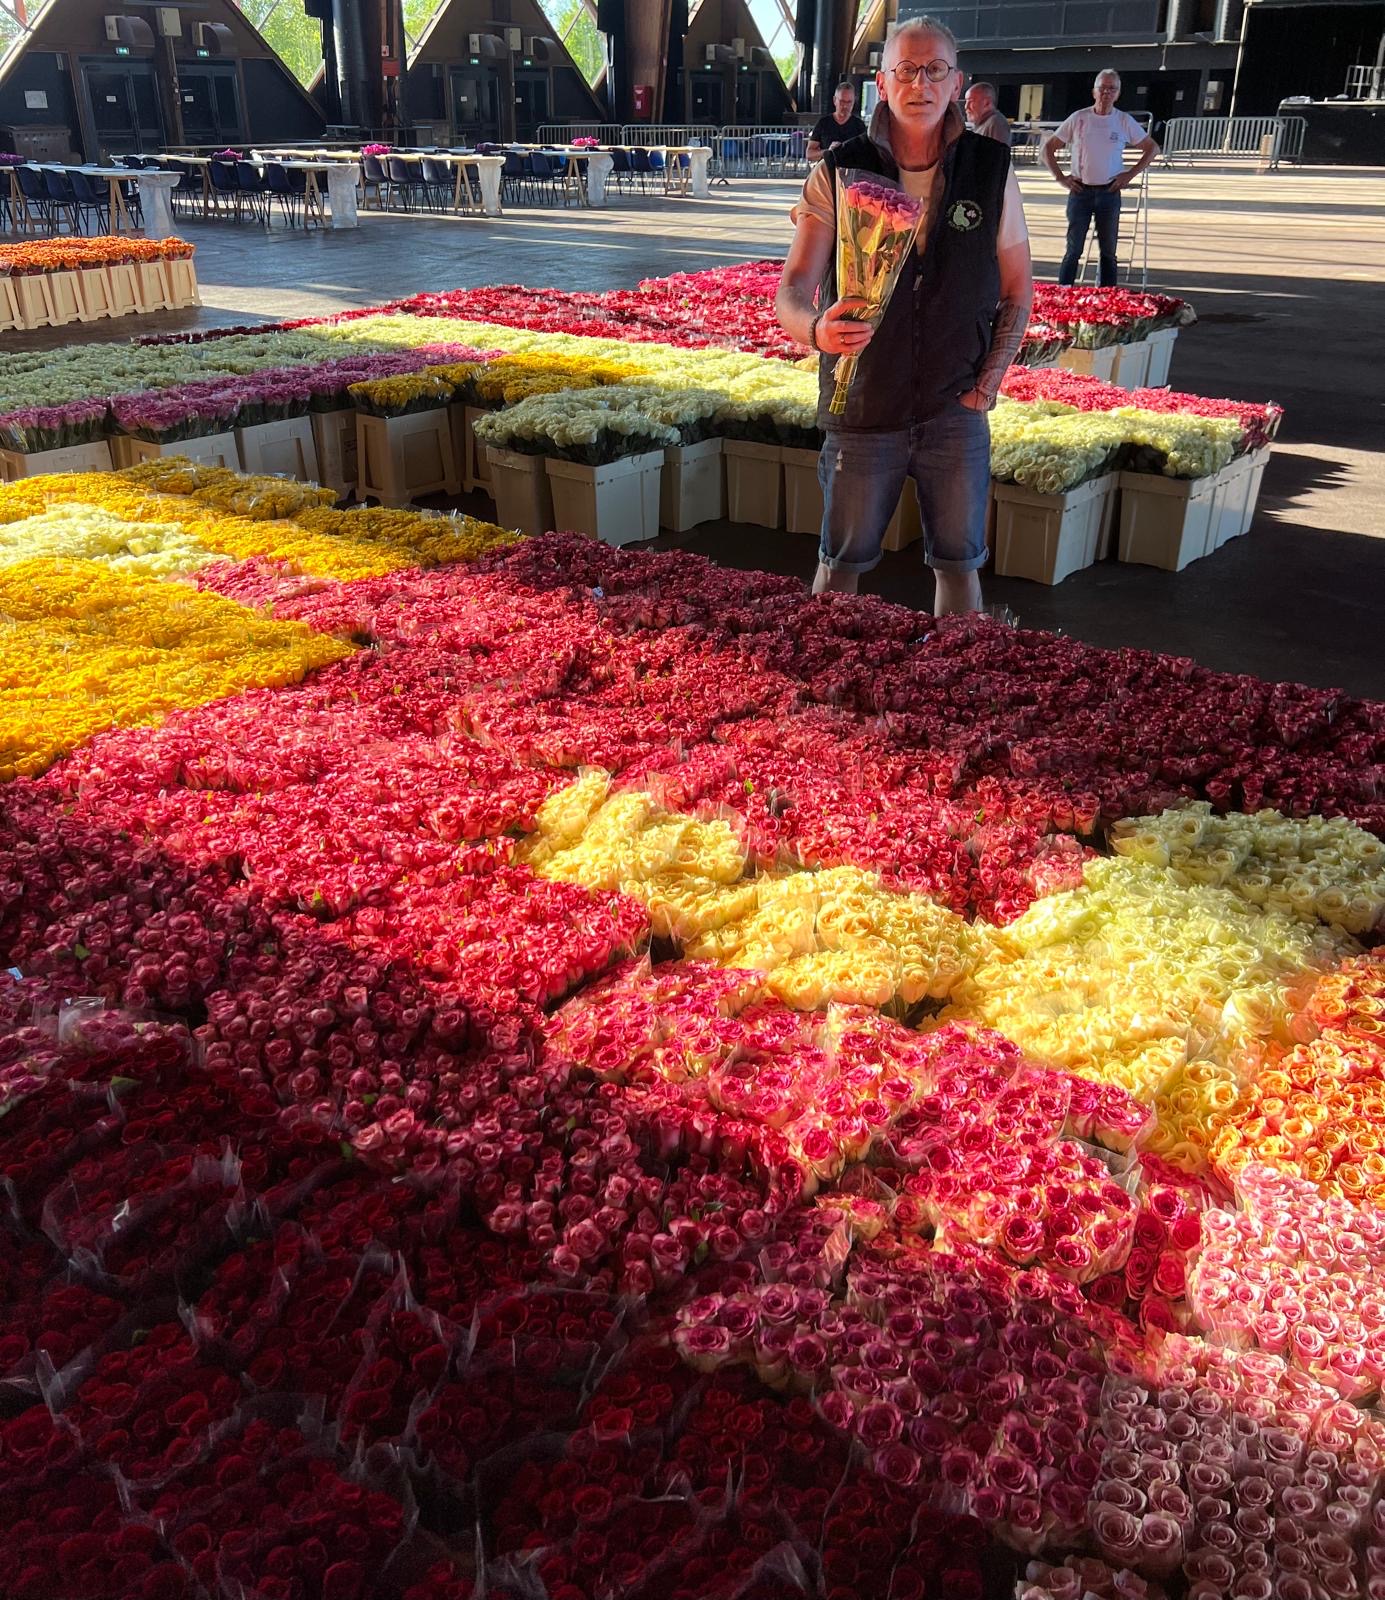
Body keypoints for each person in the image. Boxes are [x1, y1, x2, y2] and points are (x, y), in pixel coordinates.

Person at [774, 17, 1032, 616]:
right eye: (906, 70)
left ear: (957, 82)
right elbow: (792, 288)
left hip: (954, 411)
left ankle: (954, 691)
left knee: (960, 568)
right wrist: (816, 330)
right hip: (864, 411)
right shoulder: (838, 171)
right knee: (839, 570)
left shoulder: (990, 171)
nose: (921, 82)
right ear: (883, 84)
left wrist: (987, 384)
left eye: (935, 68)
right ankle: (826, 696)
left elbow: (1018, 290)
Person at [1041, 70, 1159, 286]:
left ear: (1118, 93)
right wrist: (1060, 177)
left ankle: (1108, 298)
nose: (1107, 93)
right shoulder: (1079, 118)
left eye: (1112, 88)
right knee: (1073, 249)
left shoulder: (1123, 121)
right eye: (1103, 88)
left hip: (1109, 192)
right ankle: (1064, 294)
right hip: (1080, 191)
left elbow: (1152, 148)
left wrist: (1130, 174)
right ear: (1094, 91)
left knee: (1108, 251)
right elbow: (1048, 148)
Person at [807, 82, 867, 163]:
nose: (845, 106)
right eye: (842, 101)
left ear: (854, 102)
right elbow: (809, 154)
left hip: (851, 172)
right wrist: (828, 152)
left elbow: (866, 154)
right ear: (834, 100)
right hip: (827, 171)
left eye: (849, 102)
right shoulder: (823, 123)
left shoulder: (859, 125)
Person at [964, 81, 1011, 148]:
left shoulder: (995, 123)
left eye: (971, 101)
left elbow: (997, 155)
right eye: (966, 102)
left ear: (986, 103)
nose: (966, 107)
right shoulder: (984, 123)